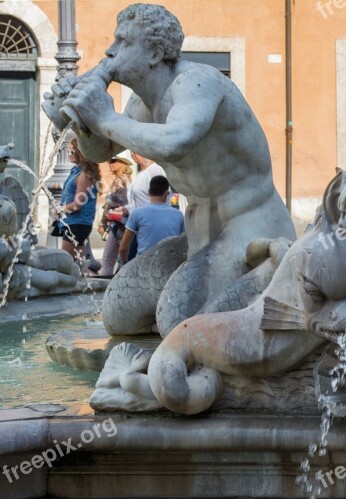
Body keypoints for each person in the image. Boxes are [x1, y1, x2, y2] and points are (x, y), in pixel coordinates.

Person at [45, 4, 295, 332]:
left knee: (177, 319)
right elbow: (102, 150)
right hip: (198, 235)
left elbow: (176, 141)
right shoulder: (141, 103)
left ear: (153, 53)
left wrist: (105, 117)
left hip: (252, 227)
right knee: (119, 313)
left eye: (122, 42)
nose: (109, 51)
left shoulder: (198, 82)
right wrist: (80, 122)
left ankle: (270, 281)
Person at [119, 176, 185, 265]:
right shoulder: (178, 215)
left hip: (143, 265)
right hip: (169, 265)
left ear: (149, 192)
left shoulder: (137, 213)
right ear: (166, 193)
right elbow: (183, 245)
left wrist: (124, 263)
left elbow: (123, 248)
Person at [55, 138, 100, 263]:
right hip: (74, 223)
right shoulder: (76, 172)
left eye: (72, 152)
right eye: (68, 151)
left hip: (77, 224)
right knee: (78, 263)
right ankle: (84, 278)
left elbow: (78, 204)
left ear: (81, 153)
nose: (69, 155)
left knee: (65, 262)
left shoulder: (84, 175)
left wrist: (61, 209)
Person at [123, 152, 165, 261]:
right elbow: (137, 198)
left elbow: (162, 196)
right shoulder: (141, 172)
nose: (132, 155)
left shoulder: (155, 170)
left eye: (135, 152)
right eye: (131, 152)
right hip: (138, 224)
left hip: (150, 225)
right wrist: (127, 208)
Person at [98, 155, 133, 276]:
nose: (110, 164)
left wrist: (102, 222)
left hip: (117, 224)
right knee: (123, 259)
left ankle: (106, 290)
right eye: (109, 161)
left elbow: (111, 204)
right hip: (126, 223)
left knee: (108, 261)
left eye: (113, 161)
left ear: (123, 164)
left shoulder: (120, 180)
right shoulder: (129, 180)